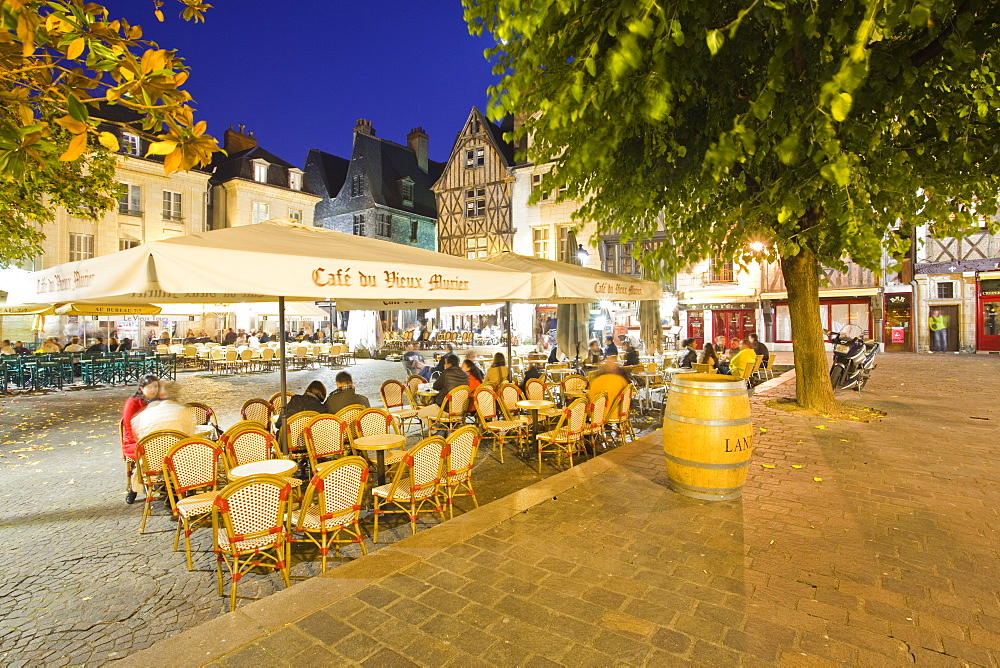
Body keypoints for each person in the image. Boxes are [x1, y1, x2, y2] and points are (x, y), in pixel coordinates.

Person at [120, 374, 161, 505]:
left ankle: (168, 488)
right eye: (150, 387)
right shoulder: (132, 403)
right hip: (134, 441)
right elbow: (129, 427)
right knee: (152, 452)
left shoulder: (158, 402)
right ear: (142, 388)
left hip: (155, 439)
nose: (154, 390)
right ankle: (134, 488)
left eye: (156, 386)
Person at [416, 354, 467, 423]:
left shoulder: (446, 374)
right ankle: (443, 427)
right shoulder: (466, 375)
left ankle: (437, 430)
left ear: (449, 364)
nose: (444, 365)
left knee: (421, 413)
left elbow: (435, 386)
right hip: (461, 409)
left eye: (445, 363)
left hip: (444, 409)